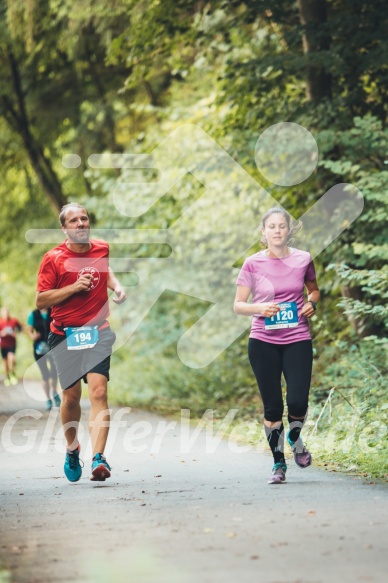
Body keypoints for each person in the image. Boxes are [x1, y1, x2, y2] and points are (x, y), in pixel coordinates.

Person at [36, 203, 126, 483]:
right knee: (71, 397)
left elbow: (105, 270)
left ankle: (98, 458)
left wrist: (117, 286)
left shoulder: (101, 248)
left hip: (98, 332)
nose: (80, 224)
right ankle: (72, 448)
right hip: (64, 335)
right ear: (64, 228)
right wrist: (75, 287)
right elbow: (41, 300)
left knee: (99, 393)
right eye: (74, 220)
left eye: (84, 219)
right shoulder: (53, 258)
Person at [234, 207, 320, 484]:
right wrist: (260, 307)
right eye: (271, 227)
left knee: (297, 401)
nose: (277, 231)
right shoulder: (252, 263)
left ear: (288, 230)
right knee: (272, 407)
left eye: (281, 226)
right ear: (264, 232)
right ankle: (278, 463)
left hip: (297, 339)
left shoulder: (304, 259)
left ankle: (295, 436)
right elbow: (238, 305)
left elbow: (314, 289)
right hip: (262, 341)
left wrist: (312, 303)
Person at [26, 308, 60, 410]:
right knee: (45, 374)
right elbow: (29, 330)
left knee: (54, 371)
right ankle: (48, 399)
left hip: (53, 346)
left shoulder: (53, 311)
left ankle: (54, 392)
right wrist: (33, 336)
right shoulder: (33, 314)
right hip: (39, 348)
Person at [0, 307, 22, 386]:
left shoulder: (14, 321)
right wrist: (2, 333)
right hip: (3, 345)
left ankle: (13, 373)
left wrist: (15, 333)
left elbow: (20, 328)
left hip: (12, 344)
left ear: (8, 313)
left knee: (11, 358)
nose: (5, 314)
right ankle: (7, 377)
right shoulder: (0, 322)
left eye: (6, 312)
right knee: (5, 362)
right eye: (4, 313)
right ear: (2, 314)